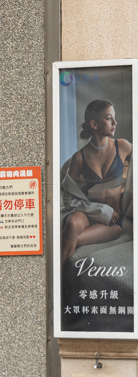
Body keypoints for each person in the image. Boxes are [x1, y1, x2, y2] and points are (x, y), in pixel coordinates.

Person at [61, 99, 132, 265]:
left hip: (112, 222)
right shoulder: (79, 158)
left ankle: (57, 274)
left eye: (114, 118)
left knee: (70, 239)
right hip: (88, 213)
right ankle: (56, 277)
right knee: (72, 223)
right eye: (109, 118)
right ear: (94, 124)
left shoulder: (122, 146)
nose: (115, 122)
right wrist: (100, 210)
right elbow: (69, 199)